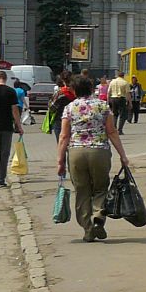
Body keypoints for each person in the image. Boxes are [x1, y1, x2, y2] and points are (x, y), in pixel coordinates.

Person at [56, 75, 130, 243]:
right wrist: (123, 156)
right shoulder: (103, 106)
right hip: (99, 152)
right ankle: (98, 218)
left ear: (74, 90)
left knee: (82, 191)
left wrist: (60, 161)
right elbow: (112, 132)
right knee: (100, 188)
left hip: (76, 153)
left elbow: (63, 136)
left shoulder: (70, 108)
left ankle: (88, 230)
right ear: (91, 89)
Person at [48, 73, 76, 143]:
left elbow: (52, 107)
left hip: (60, 120)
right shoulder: (77, 92)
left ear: (62, 80)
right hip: (75, 120)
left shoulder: (60, 93)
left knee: (61, 142)